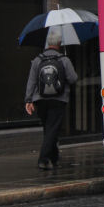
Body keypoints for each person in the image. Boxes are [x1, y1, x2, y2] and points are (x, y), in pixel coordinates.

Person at [24, 27, 78, 170]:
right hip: (58, 99)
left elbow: (31, 81)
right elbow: (73, 79)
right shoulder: (64, 59)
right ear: (59, 43)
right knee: (52, 129)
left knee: (48, 129)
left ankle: (54, 160)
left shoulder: (37, 60)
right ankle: (43, 159)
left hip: (40, 99)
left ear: (48, 43)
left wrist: (28, 100)